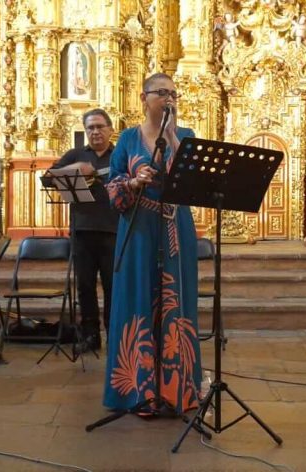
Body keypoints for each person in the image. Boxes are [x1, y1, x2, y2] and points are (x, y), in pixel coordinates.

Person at [102, 72, 202, 414]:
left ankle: (178, 390)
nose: (170, 98)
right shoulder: (128, 138)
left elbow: (193, 180)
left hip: (176, 226)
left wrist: (173, 136)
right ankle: (137, 391)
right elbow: (112, 185)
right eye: (162, 92)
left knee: (178, 302)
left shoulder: (185, 135)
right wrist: (132, 181)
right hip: (139, 227)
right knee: (136, 297)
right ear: (144, 97)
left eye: (174, 93)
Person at [41, 109, 118, 352]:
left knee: (112, 286)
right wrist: (76, 168)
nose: (95, 132)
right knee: (85, 286)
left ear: (110, 129)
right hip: (82, 230)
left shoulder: (120, 155)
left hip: (113, 230)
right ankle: (90, 336)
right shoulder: (76, 154)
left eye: (100, 127)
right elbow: (47, 178)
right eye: (90, 128)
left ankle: (115, 335)